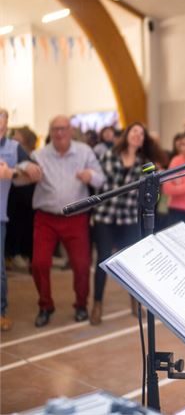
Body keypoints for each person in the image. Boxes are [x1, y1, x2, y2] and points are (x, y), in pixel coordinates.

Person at [30, 115, 106, 327]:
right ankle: (45, 306)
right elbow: (23, 178)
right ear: (50, 132)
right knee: (39, 264)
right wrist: (29, 173)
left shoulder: (84, 152)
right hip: (46, 218)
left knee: (82, 265)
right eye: (55, 129)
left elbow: (101, 179)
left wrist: (90, 176)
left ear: (71, 131)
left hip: (76, 217)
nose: (60, 133)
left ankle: (81, 305)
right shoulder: (39, 155)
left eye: (63, 128)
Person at [90, 122, 165, 325]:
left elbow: (150, 193)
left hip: (129, 218)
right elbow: (101, 183)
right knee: (102, 261)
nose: (137, 135)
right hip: (105, 216)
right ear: (127, 134)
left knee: (132, 263)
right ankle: (97, 304)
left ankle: (135, 300)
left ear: (143, 140)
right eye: (134, 131)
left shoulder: (145, 162)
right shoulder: (109, 155)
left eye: (141, 133)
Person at [0, 109, 41, 331]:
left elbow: (29, 168)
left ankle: (0, 312)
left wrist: (17, 172)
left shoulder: (13, 148)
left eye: (3, 126)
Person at [6, 126, 38, 270]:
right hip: (15, 197)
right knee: (17, 227)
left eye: (17, 135)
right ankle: (15, 255)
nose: (13, 138)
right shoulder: (12, 151)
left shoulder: (31, 155)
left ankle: (26, 256)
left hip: (27, 198)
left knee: (26, 228)